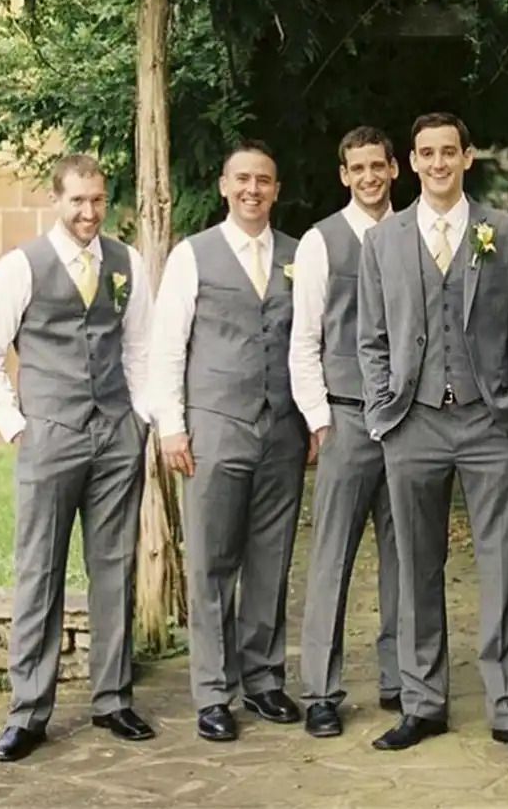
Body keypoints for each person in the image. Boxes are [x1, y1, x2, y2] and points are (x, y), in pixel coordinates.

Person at [358, 112, 508, 760]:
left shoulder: (504, 232)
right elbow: (371, 336)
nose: (438, 163)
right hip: (412, 422)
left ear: (467, 157)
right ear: (412, 162)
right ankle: (422, 703)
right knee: (416, 564)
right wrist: (384, 410)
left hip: (487, 421)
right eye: (426, 153)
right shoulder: (383, 240)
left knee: (502, 563)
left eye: (449, 152)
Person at [0, 154, 155, 762]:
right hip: (50, 435)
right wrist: (17, 427)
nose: (89, 212)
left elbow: (139, 347)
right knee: (40, 571)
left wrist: (139, 420)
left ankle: (113, 698)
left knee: (114, 566)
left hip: (115, 435)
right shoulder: (21, 267)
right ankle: (28, 712)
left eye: (97, 200)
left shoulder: (126, 261)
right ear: (56, 200)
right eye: (78, 201)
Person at [149, 140, 308, 742]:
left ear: (276, 189)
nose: (252, 189)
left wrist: (312, 419)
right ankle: (213, 691)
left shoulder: (298, 254)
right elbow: (168, 345)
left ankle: (263, 680)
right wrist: (171, 424)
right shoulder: (193, 256)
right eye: (242, 179)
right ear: (224, 185)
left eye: (263, 180)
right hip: (214, 426)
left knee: (271, 558)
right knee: (212, 562)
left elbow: (310, 342)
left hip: (282, 428)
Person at [291, 126, 401, 738]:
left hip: (408, 419)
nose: (369, 177)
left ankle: (402, 678)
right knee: (332, 557)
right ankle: (321, 691)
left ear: (394, 169)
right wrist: (320, 419)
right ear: (344, 175)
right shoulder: (321, 242)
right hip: (347, 415)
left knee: (407, 555)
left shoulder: (413, 232)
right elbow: (305, 340)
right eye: (357, 168)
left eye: (377, 166)